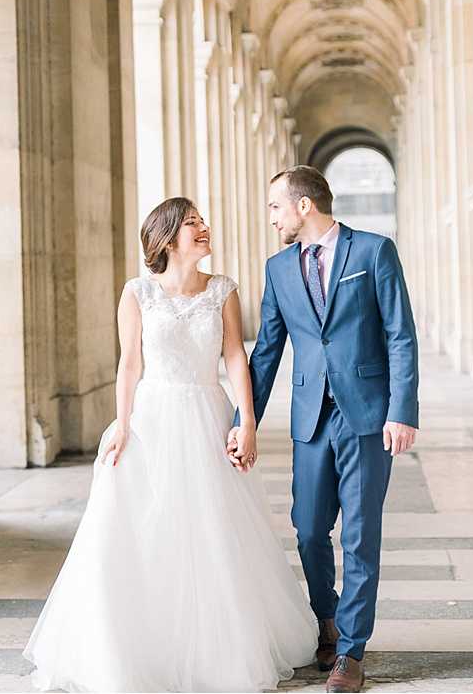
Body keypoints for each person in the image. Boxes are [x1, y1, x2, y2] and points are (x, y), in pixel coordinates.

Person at [22, 196, 318, 693]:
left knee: (214, 529)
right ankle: (140, 646)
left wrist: (246, 422)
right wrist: (121, 424)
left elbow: (234, 358)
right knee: (142, 526)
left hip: (207, 416)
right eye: (191, 223)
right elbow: (130, 365)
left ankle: (220, 647)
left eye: (202, 221)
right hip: (153, 420)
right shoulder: (137, 293)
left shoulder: (222, 289)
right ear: (166, 238)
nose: (203, 228)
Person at [228, 166, 419, 694]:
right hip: (310, 417)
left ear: (303, 206)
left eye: (274, 207)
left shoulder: (374, 252)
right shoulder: (279, 269)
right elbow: (266, 352)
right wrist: (243, 422)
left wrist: (401, 410)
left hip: (366, 413)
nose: (270, 217)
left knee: (360, 535)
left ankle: (350, 652)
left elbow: (400, 334)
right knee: (310, 529)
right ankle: (327, 620)